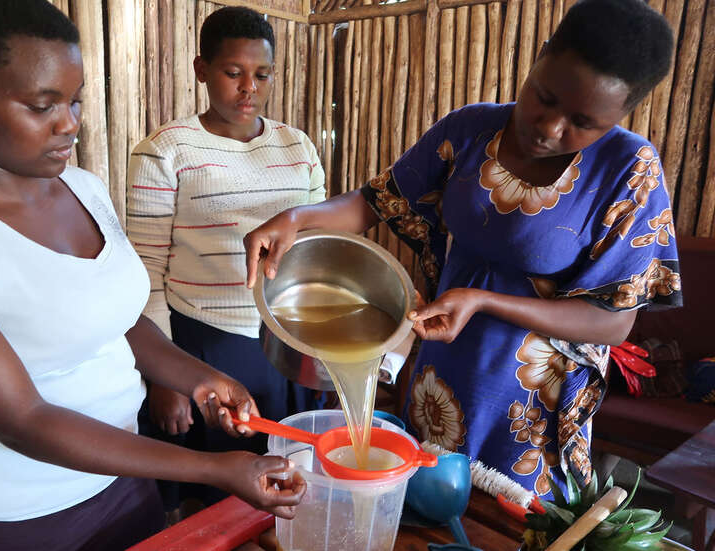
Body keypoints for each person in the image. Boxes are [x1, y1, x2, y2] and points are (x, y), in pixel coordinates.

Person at [0, 2, 304, 549]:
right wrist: (212, 469)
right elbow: (23, 418)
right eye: (42, 105)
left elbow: (118, 320)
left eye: (74, 101)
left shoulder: (85, 189)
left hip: (121, 480)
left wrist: (198, 377)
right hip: (11, 514)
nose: (69, 124)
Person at [243, 0, 681, 499]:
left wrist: (483, 300)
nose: (549, 127)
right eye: (544, 97)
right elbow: (374, 203)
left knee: (507, 523)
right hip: (441, 377)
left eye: (583, 122)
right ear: (540, 58)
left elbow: (613, 321)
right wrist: (298, 217)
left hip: (531, 406)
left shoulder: (629, 170)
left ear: (620, 116)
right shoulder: (471, 129)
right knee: (424, 505)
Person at [126, 7, 325, 512]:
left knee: (289, 478)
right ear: (202, 69)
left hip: (288, 339)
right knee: (217, 497)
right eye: (232, 73)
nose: (248, 89)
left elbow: (318, 246)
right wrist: (166, 378)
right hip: (204, 345)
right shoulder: (166, 150)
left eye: (262, 75)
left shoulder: (296, 146)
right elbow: (144, 271)